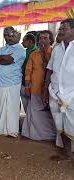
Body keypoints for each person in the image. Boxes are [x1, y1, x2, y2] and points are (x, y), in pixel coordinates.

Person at [45, 18, 74, 159]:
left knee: (73, 125)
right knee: (60, 125)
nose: (60, 31)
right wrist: (46, 91)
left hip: (72, 95)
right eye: (60, 29)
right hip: (55, 93)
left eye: (64, 29)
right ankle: (67, 154)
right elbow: (49, 70)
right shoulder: (57, 48)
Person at [21, 30, 56, 141]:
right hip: (35, 88)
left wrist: (45, 53)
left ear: (51, 40)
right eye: (40, 38)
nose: (42, 40)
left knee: (48, 114)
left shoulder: (54, 53)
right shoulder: (34, 54)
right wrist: (27, 86)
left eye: (45, 38)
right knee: (34, 113)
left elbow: (52, 68)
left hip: (51, 90)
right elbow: (28, 72)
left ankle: (50, 135)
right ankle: (34, 135)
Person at [0, 27, 26, 137]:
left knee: (12, 107)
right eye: (8, 35)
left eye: (12, 35)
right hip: (1, 82)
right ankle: (1, 129)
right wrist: (3, 58)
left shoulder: (20, 49)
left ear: (18, 37)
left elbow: (9, 61)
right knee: (1, 106)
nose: (10, 38)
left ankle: (12, 131)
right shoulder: (4, 48)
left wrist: (1, 58)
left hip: (12, 82)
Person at [21, 33, 39, 112]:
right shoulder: (24, 51)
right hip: (23, 82)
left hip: (33, 84)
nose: (22, 43)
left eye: (24, 41)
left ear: (30, 41)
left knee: (33, 107)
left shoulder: (37, 52)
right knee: (26, 106)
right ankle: (28, 122)